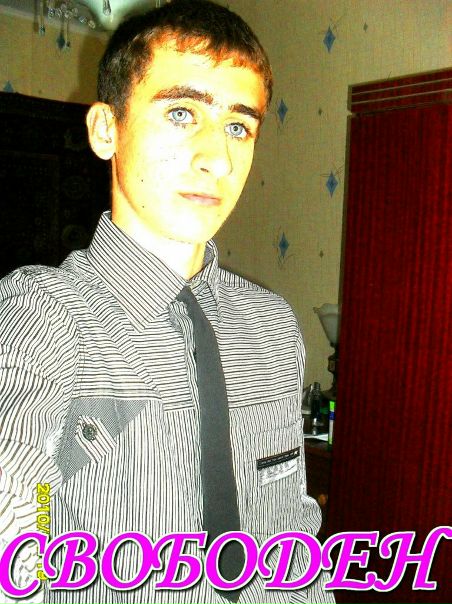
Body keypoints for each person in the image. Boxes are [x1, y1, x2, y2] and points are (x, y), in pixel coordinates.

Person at [0, 1, 334, 602]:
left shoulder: (272, 327)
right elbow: (18, 512)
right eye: (182, 113)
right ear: (106, 130)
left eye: (239, 127)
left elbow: (291, 535)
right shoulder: (41, 314)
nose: (217, 158)